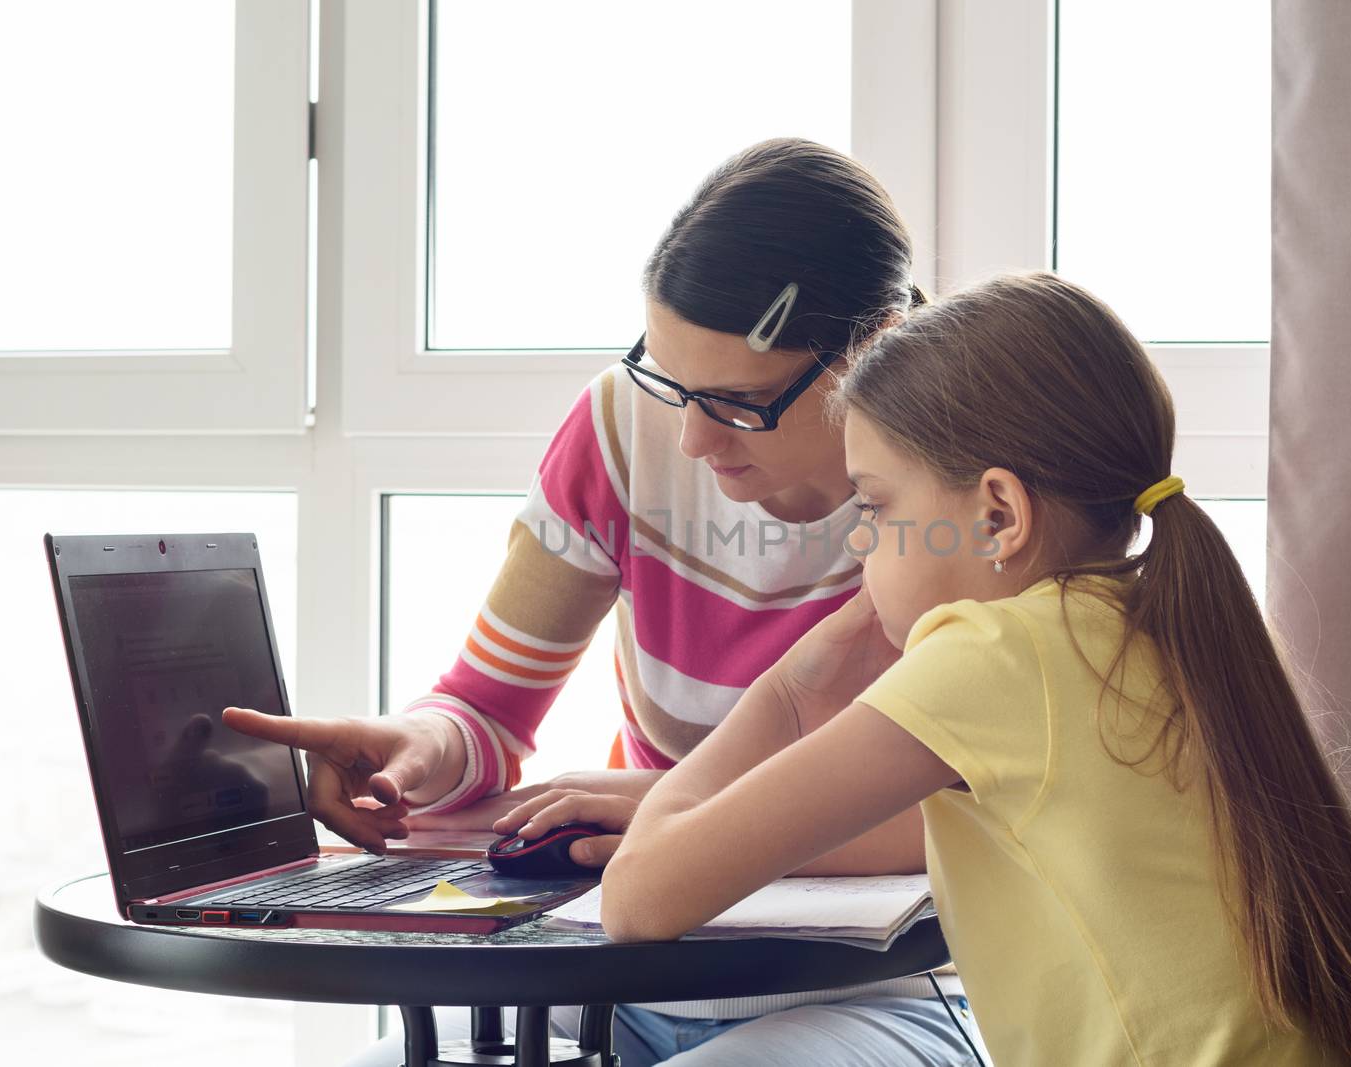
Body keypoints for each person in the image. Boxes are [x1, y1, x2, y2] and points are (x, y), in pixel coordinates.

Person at [224, 138, 978, 1067]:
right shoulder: (625, 429)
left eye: (738, 402)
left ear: (876, 352)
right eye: (671, 383)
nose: (696, 438)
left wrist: (674, 808)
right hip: (623, 976)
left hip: (894, 991)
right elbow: (488, 709)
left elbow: (973, 815)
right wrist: (418, 750)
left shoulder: (971, 497)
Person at [523, 271, 1351, 1065]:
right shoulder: (1148, 622)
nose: (861, 542)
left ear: (998, 515)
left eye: (876, 505)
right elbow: (871, 833)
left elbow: (639, 899)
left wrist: (792, 691)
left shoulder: (995, 653)